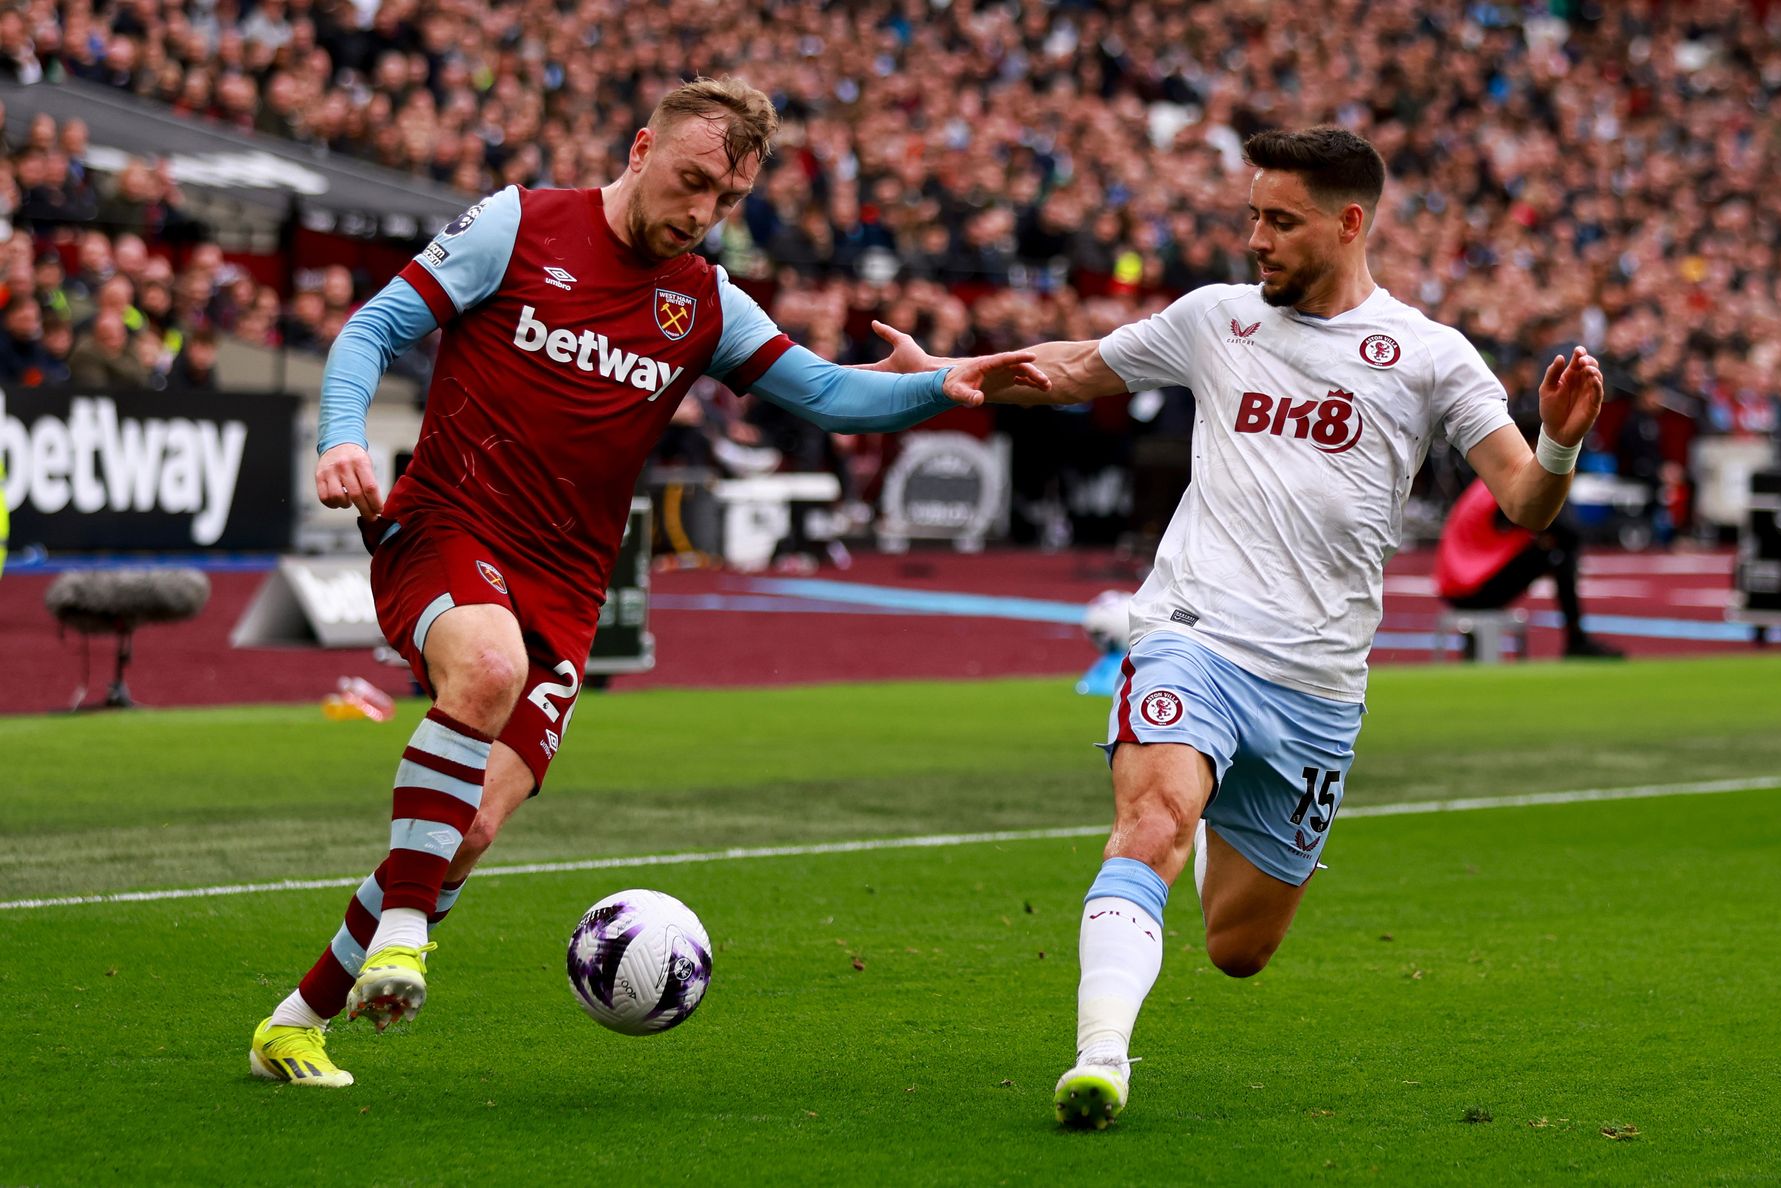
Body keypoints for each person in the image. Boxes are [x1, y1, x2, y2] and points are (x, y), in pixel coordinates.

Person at [249, 77, 1046, 1089]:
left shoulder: (703, 300)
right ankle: (403, 938)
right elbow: (371, 330)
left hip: (570, 588)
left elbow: (830, 395)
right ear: (640, 147)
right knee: (485, 670)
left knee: (469, 830)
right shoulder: (519, 223)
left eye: (725, 201)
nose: (702, 213)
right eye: (693, 181)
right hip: (449, 525)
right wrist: (342, 439)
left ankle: (294, 1022)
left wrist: (942, 384)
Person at [902, 126, 1605, 1128]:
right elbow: (1069, 367)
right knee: (1149, 825)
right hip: (1194, 633)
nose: (1257, 240)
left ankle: (1203, 820)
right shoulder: (1215, 320)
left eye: (1281, 221)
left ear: (1348, 223)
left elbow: (1526, 503)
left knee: (1239, 948)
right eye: (1252, 218)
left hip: (1318, 684)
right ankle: (1102, 1057)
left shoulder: (1429, 357)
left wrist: (1563, 441)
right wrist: (942, 371)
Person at [1434, 477, 1624, 659]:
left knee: (1552, 547)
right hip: (1471, 588)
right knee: (1557, 554)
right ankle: (1576, 640)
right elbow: (1568, 532)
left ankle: (1577, 640)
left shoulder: (1495, 476)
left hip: (1454, 585)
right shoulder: (1520, 482)